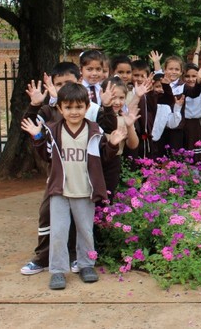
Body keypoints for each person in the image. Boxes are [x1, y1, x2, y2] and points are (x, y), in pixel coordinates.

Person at [21, 83, 126, 290]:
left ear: (87, 107)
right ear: (60, 109)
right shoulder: (53, 131)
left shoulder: (94, 131)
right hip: (60, 191)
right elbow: (47, 156)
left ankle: (86, 264)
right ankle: (58, 270)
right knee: (58, 232)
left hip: (85, 191)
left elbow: (103, 157)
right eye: (68, 107)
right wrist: (38, 137)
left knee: (85, 231)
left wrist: (113, 144)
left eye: (78, 107)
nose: (74, 112)